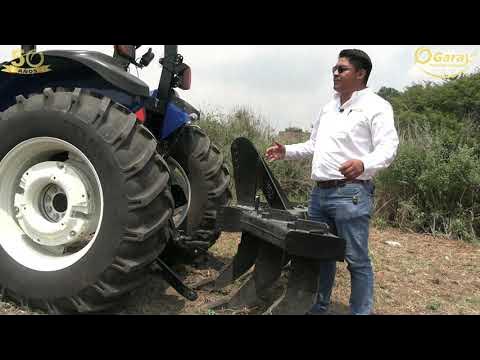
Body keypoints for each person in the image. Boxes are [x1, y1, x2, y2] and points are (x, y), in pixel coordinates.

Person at [266, 49, 399, 315]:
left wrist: (364, 164)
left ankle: (360, 311)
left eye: (342, 69)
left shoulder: (376, 106)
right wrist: (286, 151)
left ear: (360, 74)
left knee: (356, 259)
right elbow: (314, 144)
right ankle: (319, 306)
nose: (335, 73)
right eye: (334, 69)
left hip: (351, 194)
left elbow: (389, 147)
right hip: (320, 195)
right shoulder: (328, 106)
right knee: (321, 254)